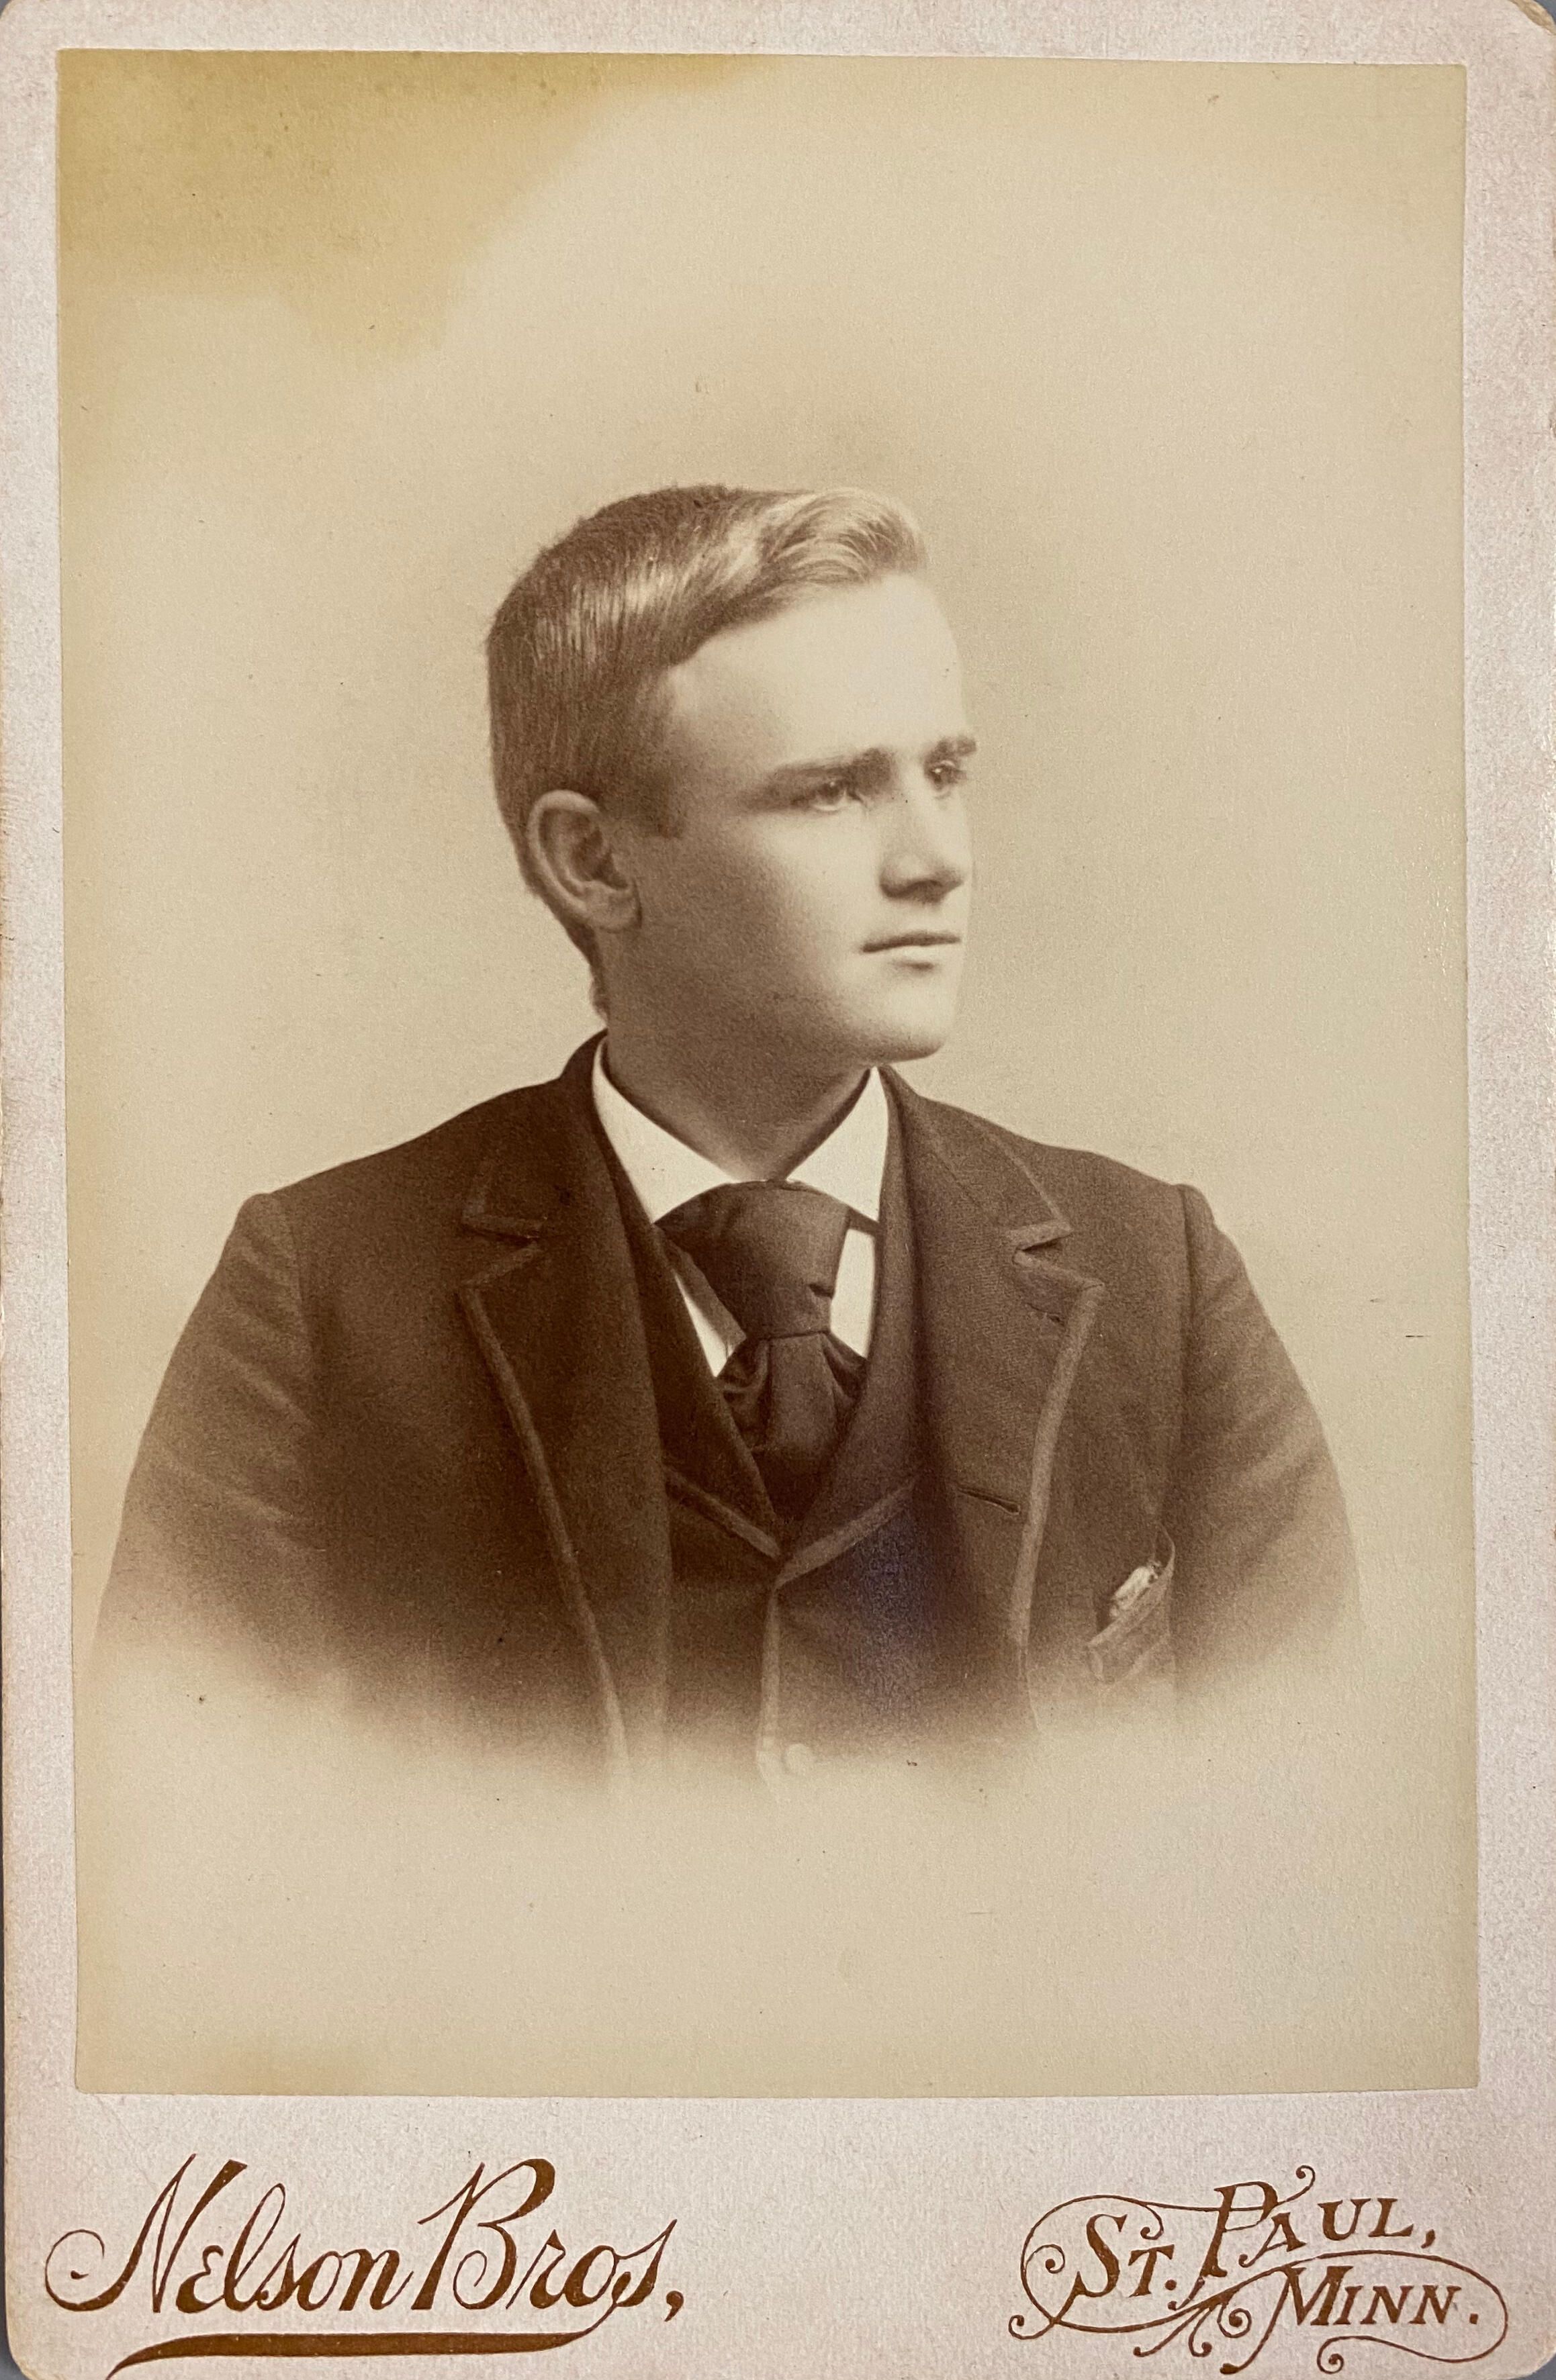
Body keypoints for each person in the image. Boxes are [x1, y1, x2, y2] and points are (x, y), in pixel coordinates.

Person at [94, 483, 1357, 1788]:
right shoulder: (322, 1298)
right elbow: (197, 1836)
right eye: (830, 792)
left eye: (943, 773)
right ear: (594, 863)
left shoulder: (1157, 1276)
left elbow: (1301, 1826)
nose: (935, 858)